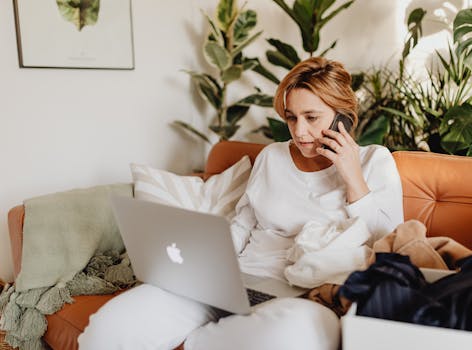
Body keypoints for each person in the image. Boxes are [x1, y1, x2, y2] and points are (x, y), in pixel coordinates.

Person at [78, 57, 404, 350]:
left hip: (302, 297)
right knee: (110, 327)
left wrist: (352, 176)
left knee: (300, 334)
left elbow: (388, 241)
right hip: (235, 279)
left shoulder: (375, 161)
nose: (300, 131)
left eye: (312, 117)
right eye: (291, 118)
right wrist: (206, 265)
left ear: (343, 117)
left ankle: (204, 337)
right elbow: (243, 223)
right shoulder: (272, 157)